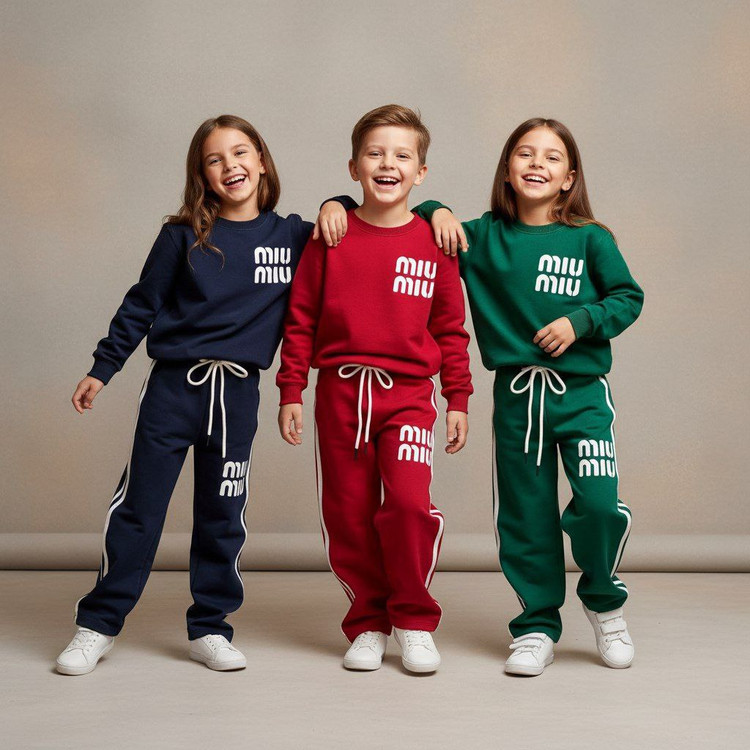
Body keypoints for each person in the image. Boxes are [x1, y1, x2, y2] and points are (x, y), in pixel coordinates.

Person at [319, 117, 643, 675]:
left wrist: (581, 321)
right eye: (525, 153)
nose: (537, 164)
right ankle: (537, 625)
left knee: (598, 504)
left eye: (552, 157)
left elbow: (627, 297)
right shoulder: (481, 236)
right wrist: (387, 205)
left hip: (582, 396)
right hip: (516, 398)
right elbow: (404, 215)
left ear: (570, 177)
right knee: (524, 516)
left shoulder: (592, 237)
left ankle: (604, 602)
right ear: (507, 170)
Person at [56, 114, 342, 675]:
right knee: (138, 510)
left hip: (237, 396)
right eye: (215, 159)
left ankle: (210, 626)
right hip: (173, 390)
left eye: (240, 152)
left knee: (223, 515)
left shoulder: (292, 236)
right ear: (202, 175)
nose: (230, 165)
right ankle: (98, 624)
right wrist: (103, 367)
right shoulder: (182, 235)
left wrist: (335, 202)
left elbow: (365, 218)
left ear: (262, 161)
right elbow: (141, 303)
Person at [277, 104, 472, 674]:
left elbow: (450, 329)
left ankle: (413, 619)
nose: (388, 164)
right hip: (340, 394)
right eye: (375, 153)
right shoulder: (329, 235)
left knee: (408, 505)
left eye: (402, 155)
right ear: (354, 167)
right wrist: (291, 390)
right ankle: (367, 622)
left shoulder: (436, 242)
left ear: (421, 173)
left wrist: (457, 398)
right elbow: (300, 319)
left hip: (408, 395)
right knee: (348, 512)